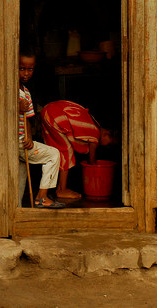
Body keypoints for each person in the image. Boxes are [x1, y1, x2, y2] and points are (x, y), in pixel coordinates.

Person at [40, 99, 116, 200]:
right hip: (55, 115)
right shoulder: (95, 134)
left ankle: (57, 188)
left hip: (47, 111)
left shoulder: (93, 123)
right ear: (107, 134)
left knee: (55, 152)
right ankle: (62, 189)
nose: (106, 146)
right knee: (67, 151)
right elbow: (92, 162)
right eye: (109, 144)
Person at [18, 50, 65, 209]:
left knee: (20, 180)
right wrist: (15, 107)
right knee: (54, 154)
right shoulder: (8, 91)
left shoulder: (26, 93)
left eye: (30, 69)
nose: (26, 73)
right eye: (21, 68)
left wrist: (29, 137)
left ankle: (17, 209)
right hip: (13, 143)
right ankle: (42, 197)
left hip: (22, 143)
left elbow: (28, 121)